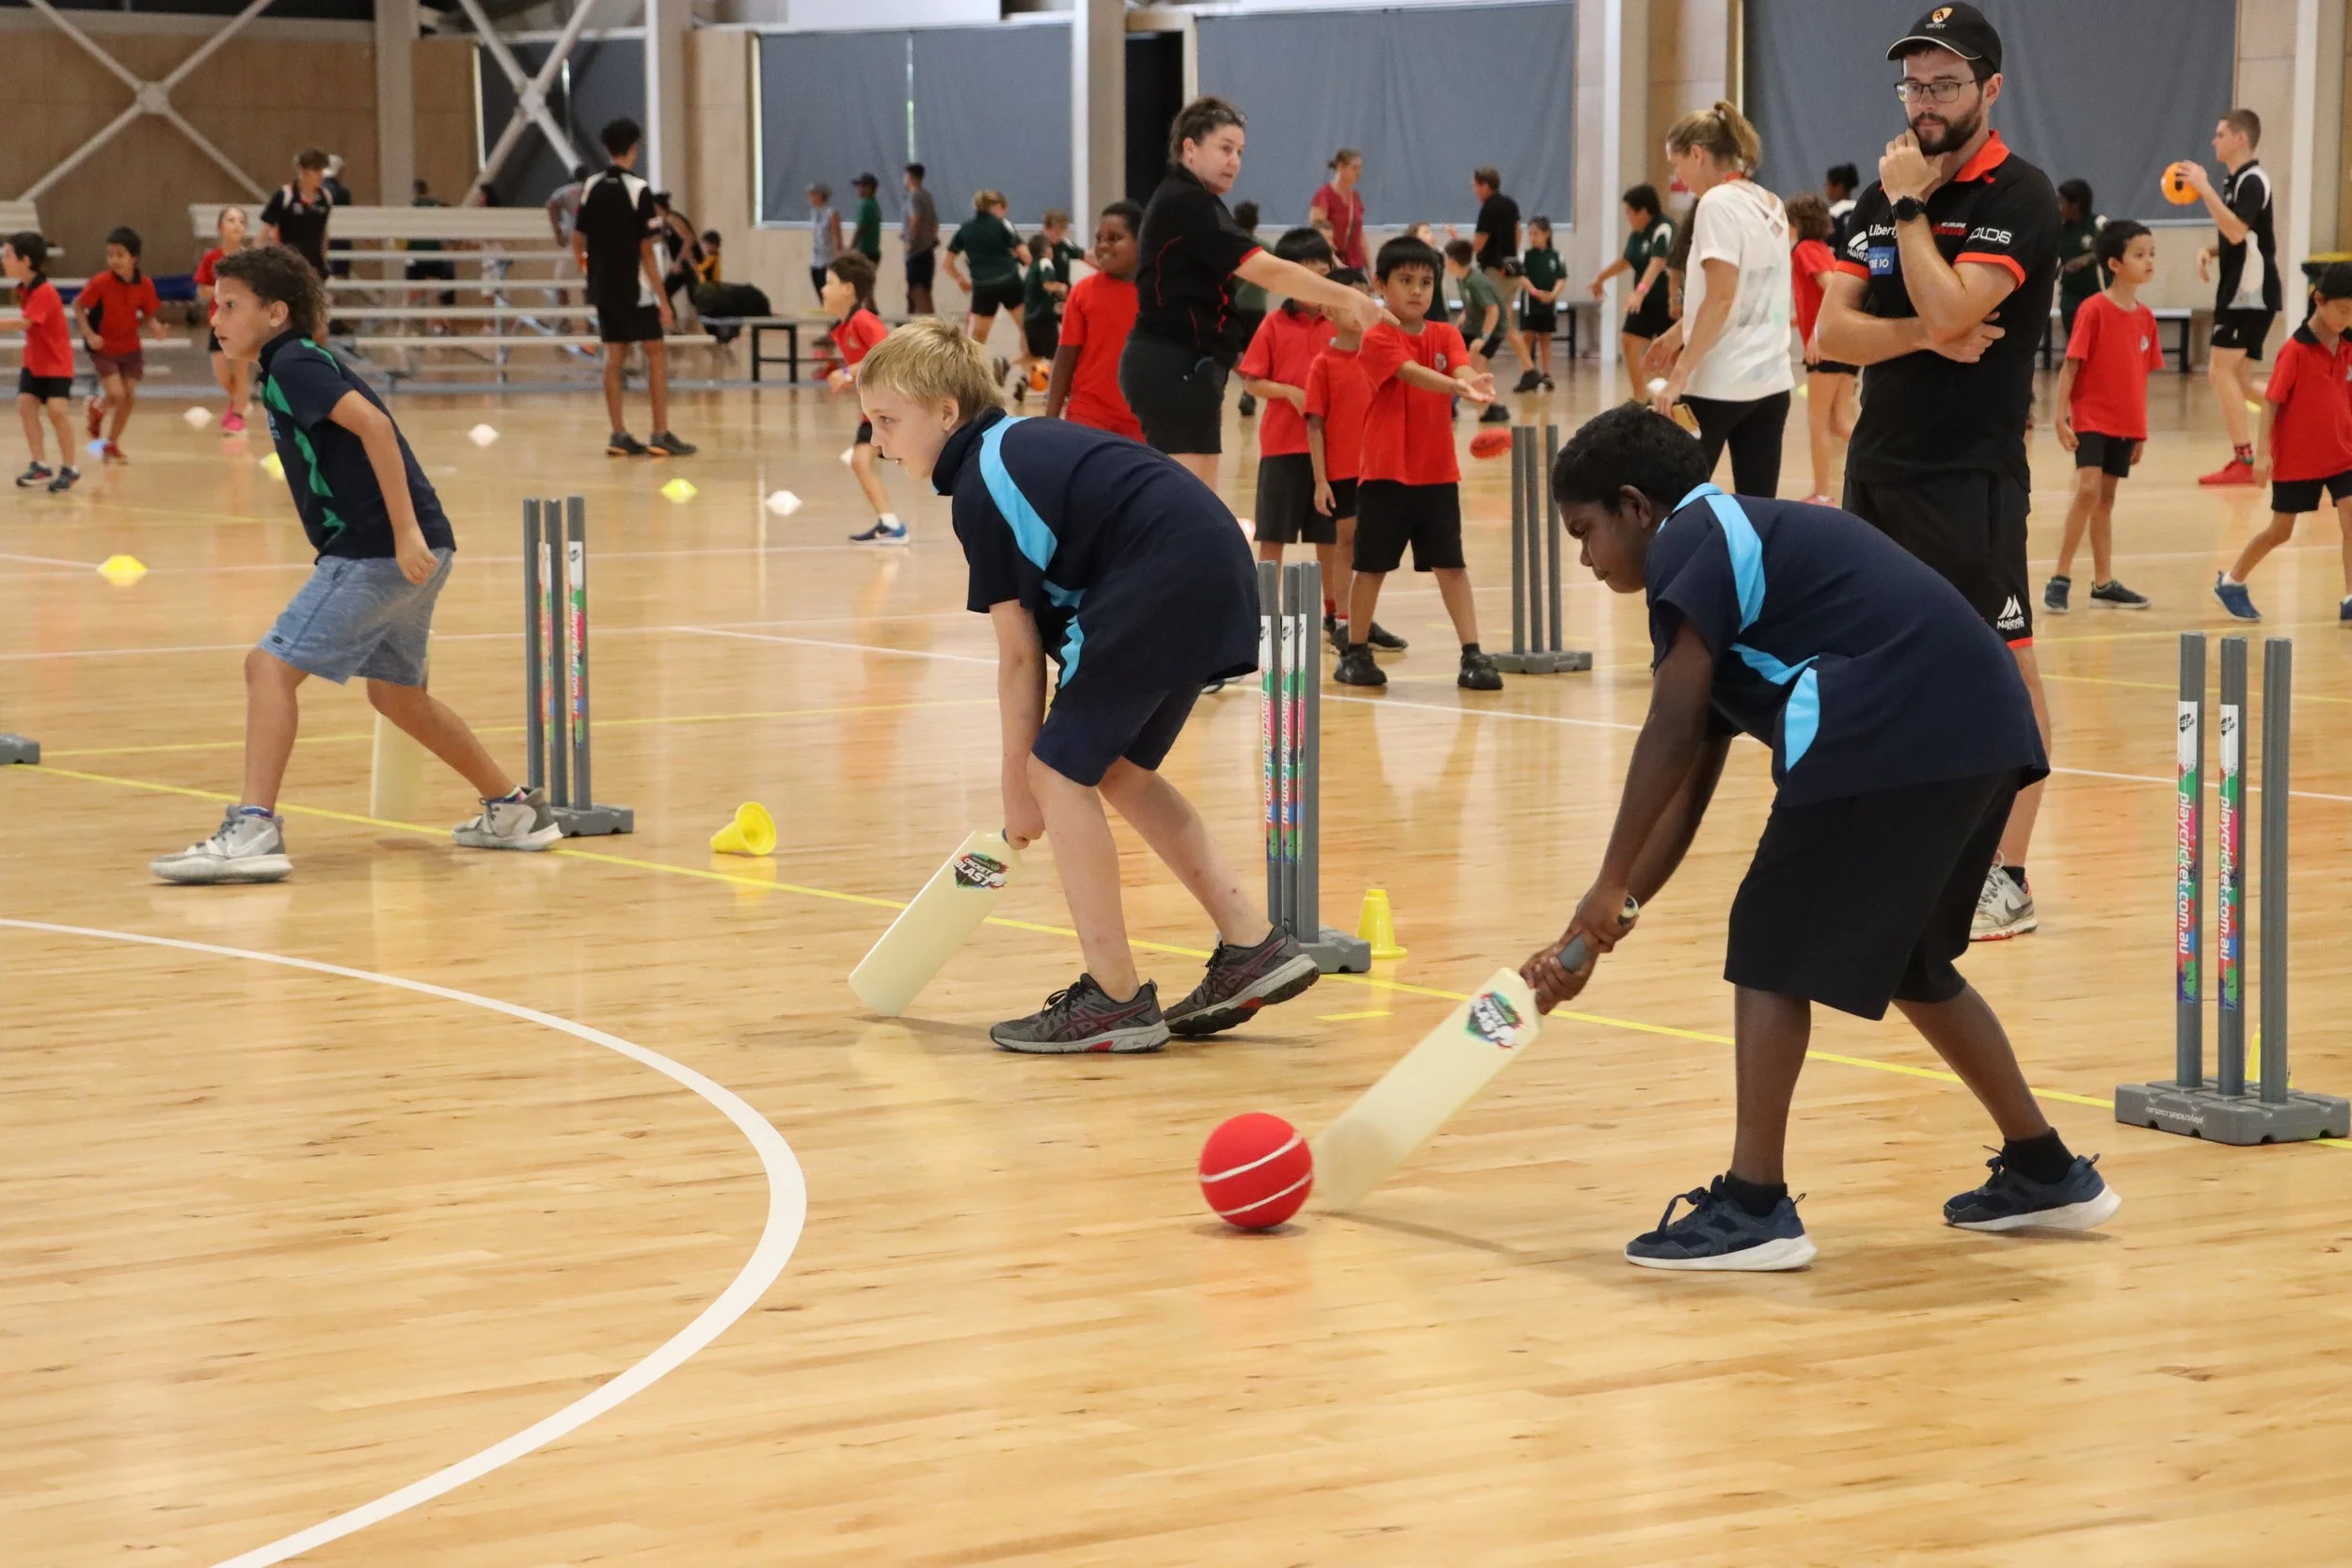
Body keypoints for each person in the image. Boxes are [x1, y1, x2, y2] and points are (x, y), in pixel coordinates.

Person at [1526, 404, 2114, 1271]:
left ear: (1635, 505)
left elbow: (1674, 724)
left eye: (1585, 532)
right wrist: (1605, 915)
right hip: (1980, 721)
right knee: (1912, 959)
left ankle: (1755, 1205)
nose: (1585, 558)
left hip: (1893, 720)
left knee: (1768, 943)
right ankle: (2044, 1167)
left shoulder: (1693, 539)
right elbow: (1693, 772)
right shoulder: (1729, 554)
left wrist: (1608, 877)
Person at [857, 318, 1325, 1053]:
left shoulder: (984, 480)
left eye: (887, 420)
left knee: (1056, 770)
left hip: (1163, 576)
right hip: (1213, 570)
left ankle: (1112, 996)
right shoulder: (1012, 452)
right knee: (1119, 771)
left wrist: (1021, 779)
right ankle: (1252, 944)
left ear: (947, 412)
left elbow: (1019, 657)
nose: (878, 441)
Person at [148, 245, 564, 885]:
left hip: (378, 548)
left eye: (231, 305)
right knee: (398, 696)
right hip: (421, 542)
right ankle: (514, 811)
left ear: (276, 312)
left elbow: (374, 426)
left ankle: (254, 827)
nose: (216, 317)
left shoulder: (291, 365)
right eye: (214, 305)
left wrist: (401, 532)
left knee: (268, 667)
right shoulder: (292, 364)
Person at [1815, 2, 2060, 943]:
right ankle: (1898, 849)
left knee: (2002, 668)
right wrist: (1925, 332)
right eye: (1913, 84)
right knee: (1880, 664)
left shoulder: (2018, 196)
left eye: (1944, 84)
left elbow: (1964, 302)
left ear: (1989, 90)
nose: (1923, 102)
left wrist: (1914, 211)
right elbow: (1830, 333)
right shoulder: (1877, 196)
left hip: (1972, 473)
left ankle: (2007, 870)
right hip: (1880, 466)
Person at [1121, 96, 1385, 488]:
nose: (1235, 161)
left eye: (1240, 152)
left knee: (1200, 498)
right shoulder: (1185, 202)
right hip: (1170, 364)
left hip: (1193, 366)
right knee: (1184, 504)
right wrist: (1350, 296)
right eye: (1225, 149)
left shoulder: (1200, 201)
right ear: (1189, 148)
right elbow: (1269, 272)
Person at [1334, 234, 1502, 692]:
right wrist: (1456, 388)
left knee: (1452, 566)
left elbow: (1460, 367)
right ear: (1380, 285)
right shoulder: (1377, 338)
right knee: (1371, 567)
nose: (1416, 290)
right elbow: (1412, 373)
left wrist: (1472, 381)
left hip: (1437, 474)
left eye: (1426, 281)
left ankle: (1472, 654)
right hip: (1386, 474)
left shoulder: (1447, 335)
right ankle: (1355, 651)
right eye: (1405, 280)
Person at [1645, 103, 1793, 499]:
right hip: (1772, 384)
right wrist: (1679, 332)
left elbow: (1722, 297)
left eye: (1677, 164)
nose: (1677, 177)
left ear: (1698, 154)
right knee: (1758, 509)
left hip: (1718, 384)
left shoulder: (1716, 203)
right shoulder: (1771, 203)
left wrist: (1679, 375)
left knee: (1675, 504)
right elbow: (1746, 290)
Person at [2212, 261, 2352, 624]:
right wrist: (2262, 454)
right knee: (2280, 531)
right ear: (2319, 300)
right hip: (2297, 459)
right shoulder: (2295, 351)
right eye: (2342, 310)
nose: (2346, 319)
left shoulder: (2349, 345)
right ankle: (2232, 581)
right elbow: (2271, 402)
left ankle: (2351, 598)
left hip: (2342, 454)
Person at [2046, 221, 2160, 614]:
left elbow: (2140, 377)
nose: (2148, 261)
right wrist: (2060, 417)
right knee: (2088, 490)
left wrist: (2140, 431)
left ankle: (2103, 582)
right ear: (2114, 263)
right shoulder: (2093, 310)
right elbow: (2071, 366)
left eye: (2151, 254)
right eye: (2139, 254)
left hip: (2125, 423)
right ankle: (2060, 577)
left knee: (2106, 500)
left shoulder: (2146, 318)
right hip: (2092, 416)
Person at [573, 117, 693, 459]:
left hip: (603, 286)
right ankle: (660, 432)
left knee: (614, 356)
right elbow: (647, 249)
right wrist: (663, 297)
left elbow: (577, 236)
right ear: (633, 149)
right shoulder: (638, 190)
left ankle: (619, 433)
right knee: (655, 352)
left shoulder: (591, 185)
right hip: (633, 287)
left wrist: (586, 265)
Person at [2181, 110, 2279, 486]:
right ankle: (2303, 418)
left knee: (2219, 372)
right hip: (2243, 291)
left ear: (2241, 138)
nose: (2213, 141)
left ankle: (2246, 460)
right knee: (2239, 379)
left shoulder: (2253, 180)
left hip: (2249, 294)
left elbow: (2238, 231)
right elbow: (2242, 233)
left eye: (2220, 134)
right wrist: (2213, 249)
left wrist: (2203, 188)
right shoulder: (2236, 181)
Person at [1304, 289, 1403, 654]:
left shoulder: (1380, 358)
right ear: (1328, 308)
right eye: (1349, 303)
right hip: (1343, 470)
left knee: (1370, 548)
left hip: (1378, 468)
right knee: (1346, 541)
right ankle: (1342, 621)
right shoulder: (1324, 363)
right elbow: (1314, 423)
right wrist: (1320, 479)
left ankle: (1362, 620)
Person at [1238, 228, 1342, 581]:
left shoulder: (1342, 325)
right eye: (1305, 275)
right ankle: (1264, 612)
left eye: (1323, 274)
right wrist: (1291, 393)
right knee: (1273, 535)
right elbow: (1252, 382)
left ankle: (1334, 616)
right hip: (1282, 446)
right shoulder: (1273, 324)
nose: (1315, 284)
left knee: (1329, 539)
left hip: (1333, 452)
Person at [821, 252, 902, 546]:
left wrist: (848, 371)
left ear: (848, 289)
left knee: (929, 465)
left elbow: (887, 355)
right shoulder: (842, 329)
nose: (823, 289)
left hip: (896, 409)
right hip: (874, 412)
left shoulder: (865, 321)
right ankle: (890, 524)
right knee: (860, 461)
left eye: (829, 282)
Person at [1044, 200, 1143, 441]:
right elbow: (1066, 356)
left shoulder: (1162, 295)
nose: (1102, 246)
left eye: (1114, 238)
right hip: (1089, 417)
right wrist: (1049, 419)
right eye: (1099, 238)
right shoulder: (1083, 292)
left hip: (1144, 422)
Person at [74, 226, 167, 465]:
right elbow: (78, 306)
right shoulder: (101, 282)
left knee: (129, 396)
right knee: (116, 394)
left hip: (131, 349)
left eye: (120, 255)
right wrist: (88, 334)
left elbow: (148, 314)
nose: (113, 260)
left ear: (134, 258)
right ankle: (98, 408)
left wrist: (155, 327)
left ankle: (111, 442)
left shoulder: (145, 284)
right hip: (104, 348)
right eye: (110, 255)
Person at [1786, 191, 1856, 504]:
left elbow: (1831, 291)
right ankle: (1887, 465)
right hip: (1845, 344)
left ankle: (1823, 494)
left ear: (1798, 223)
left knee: (1818, 423)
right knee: (1840, 422)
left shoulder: (1805, 250)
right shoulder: (1825, 250)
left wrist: (1815, 335)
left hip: (1827, 344)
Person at [2, 232, 79, 493]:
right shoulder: (25, 288)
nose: (4, 260)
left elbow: (25, 323)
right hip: (34, 362)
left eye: (8, 255)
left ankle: (70, 467)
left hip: (56, 365)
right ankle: (39, 465)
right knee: (25, 405)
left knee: (57, 411)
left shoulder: (45, 292)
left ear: (26, 260)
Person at [1590, 184, 1675, 402]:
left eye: (1629, 211)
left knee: (1673, 353)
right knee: (1629, 340)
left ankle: (1679, 399)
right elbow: (1627, 260)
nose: (1627, 216)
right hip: (1644, 303)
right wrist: (1601, 278)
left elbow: (1657, 263)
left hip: (1669, 301)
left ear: (1644, 211)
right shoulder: (1637, 234)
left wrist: (1639, 292)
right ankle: (1640, 398)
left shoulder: (1664, 228)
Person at [945, 190, 1030, 377]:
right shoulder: (1003, 226)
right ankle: (1026, 377)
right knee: (1027, 329)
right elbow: (1026, 256)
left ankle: (970, 379)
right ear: (994, 207)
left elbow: (947, 263)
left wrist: (961, 280)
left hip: (983, 287)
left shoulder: (965, 229)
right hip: (1010, 283)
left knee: (978, 338)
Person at [1471, 167, 1534, 391]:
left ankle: (1482, 374)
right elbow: (1518, 231)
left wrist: (1461, 250)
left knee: (1489, 319)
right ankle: (1529, 370)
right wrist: (1511, 255)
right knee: (1506, 324)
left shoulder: (1489, 208)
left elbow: (1480, 241)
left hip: (1495, 273)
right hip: (1512, 271)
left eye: (1476, 186)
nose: (1475, 191)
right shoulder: (1510, 204)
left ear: (1485, 185)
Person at [196, 205, 255, 433]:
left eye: (241, 221)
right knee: (221, 372)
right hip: (218, 322)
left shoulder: (249, 259)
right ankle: (238, 401)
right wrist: (222, 292)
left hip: (242, 323)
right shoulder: (211, 257)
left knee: (241, 371)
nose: (237, 224)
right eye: (231, 220)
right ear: (221, 227)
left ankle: (238, 415)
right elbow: (202, 289)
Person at [1018, 208, 1085, 401]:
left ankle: (1021, 374)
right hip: (1045, 310)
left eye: (1062, 230)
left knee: (1043, 351)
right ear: (1046, 229)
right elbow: (1045, 284)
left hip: (1052, 307)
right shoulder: (1042, 257)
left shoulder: (1063, 246)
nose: (1059, 234)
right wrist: (1061, 288)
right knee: (1055, 351)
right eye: (1056, 230)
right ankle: (1056, 387)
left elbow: (1084, 255)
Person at [1444, 239, 1512, 425]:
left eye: (1446, 259)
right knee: (1454, 360)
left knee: (1477, 362)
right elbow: (1474, 304)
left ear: (1452, 261)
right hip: (1473, 326)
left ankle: (1490, 405)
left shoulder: (1476, 281)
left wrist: (1483, 338)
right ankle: (1452, 402)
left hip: (1492, 329)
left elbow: (1493, 309)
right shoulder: (1463, 278)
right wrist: (1463, 317)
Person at [261, 149, 335, 277]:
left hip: (314, 268)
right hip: (287, 268)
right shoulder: (285, 195)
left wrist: (324, 262)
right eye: (316, 170)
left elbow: (324, 233)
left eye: (322, 170)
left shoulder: (326, 198)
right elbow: (265, 230)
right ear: (302, 170)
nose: (320, 175)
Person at [1227, 200, 1269, 418]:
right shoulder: (1263, 247)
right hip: (1258, 307)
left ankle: (1241, 389)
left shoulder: (1231, 247)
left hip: (1235, 306)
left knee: (1232, 352)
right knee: (1253, 354)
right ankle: (1248, 392)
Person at [1517, 215, 1565, 391]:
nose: (1533, 237)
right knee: (1527, 336)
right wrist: (1535, 292)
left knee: (1545, 337)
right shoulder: (1526, 256)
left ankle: (1546, 374)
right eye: (1530, 234)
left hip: (1548, 304)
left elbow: (1561, 278)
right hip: (1530, 304)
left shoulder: (1556, 256)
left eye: (1536, 233)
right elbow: (1521, 277)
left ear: (1547, 234)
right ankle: (1527, 373)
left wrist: (1552, 294)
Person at [2054, 179, 2101, 341]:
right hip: (2070, 296)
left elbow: (2112, 251)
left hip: (2096, 293)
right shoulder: (2059, 229)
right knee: (2074, 340)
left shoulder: (2098, 224)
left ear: (2076, 204)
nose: (2058, 205)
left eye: (2062, 201)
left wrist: (2086, 259)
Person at [1310, 150, 1369, 273]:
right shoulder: (1324, 195)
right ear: (1340, 167)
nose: (1359, 173)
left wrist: (1369, 268)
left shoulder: (1355, 197)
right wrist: (1335, 261)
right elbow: (1319, 234)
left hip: (1355, 263)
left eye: (1360, 168)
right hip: (1331, 264)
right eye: (1355, 168)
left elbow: (1360, 235)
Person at [902, 163, 939, 315]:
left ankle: (931, 329)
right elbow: (934, 221)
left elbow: (916, 218)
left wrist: (911, 241)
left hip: (916, 251)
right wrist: (931, 238)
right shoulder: (927, 195)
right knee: (926, 292)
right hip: (927, 249)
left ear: (910, 177)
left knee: (917, 291)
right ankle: (932, 328)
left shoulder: (914, 195)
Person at [806, 183, 842, 306]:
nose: (809, 197)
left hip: (828, 260)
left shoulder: (831, 213)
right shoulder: (813, 213)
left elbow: (837, 238)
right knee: (821, 296)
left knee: (830, 296)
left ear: (820, 195)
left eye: (813, 194)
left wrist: (838, 259)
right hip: (815, 260)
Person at [545, 164, 593, 251]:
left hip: (572, 232)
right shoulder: (597, 189)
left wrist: (558, 232)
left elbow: (551, 205)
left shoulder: (565, 191)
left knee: (570, 260)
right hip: (592, 234)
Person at [1824, 162, 1861, 249]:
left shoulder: (1832, 214)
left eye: (1828, 184)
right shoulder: (1861, 209)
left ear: (1839, 187)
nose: (1826, 188)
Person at [850, 173, 883, 264]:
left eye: (860, 186)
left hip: (864, 253)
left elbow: (860, 228)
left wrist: (850, 248)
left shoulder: (865, 205)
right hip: (874, 252)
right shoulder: (874, 204)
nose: (858, 189)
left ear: (868, 188)